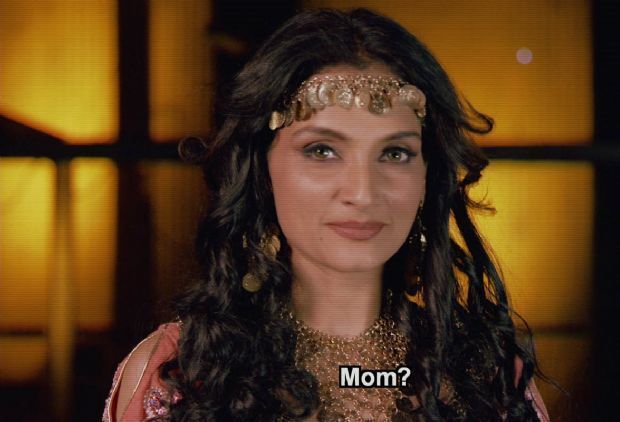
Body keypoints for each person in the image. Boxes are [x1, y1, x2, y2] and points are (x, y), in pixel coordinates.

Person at [103, 8, 550, 421]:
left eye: (395, 153)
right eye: (322, 150)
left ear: (426, 178)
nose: (362, 191)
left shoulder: (485, 376)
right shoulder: (183, 371)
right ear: (262, 169)